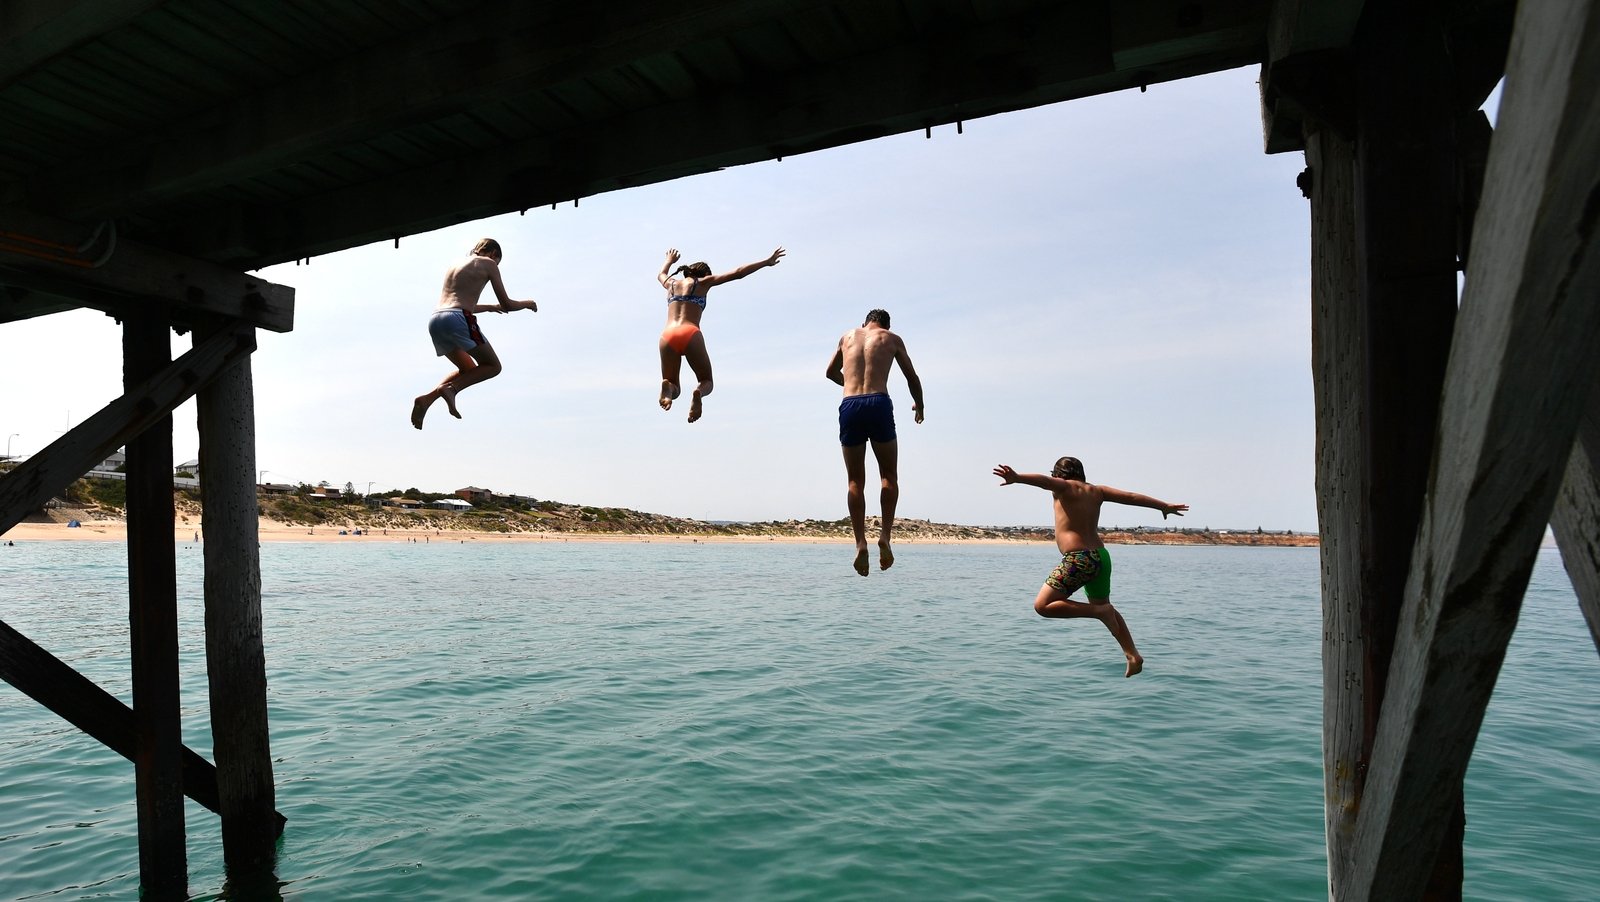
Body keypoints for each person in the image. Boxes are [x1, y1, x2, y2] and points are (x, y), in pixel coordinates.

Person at [993, 457, 1187, 677]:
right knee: (1107, 607)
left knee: (1043, 606)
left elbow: (1043, 481)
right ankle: (1132, 654)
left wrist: (1017, 478)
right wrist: (1163, 505)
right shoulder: (1097, 491)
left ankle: (1098, 612)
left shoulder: (1063, 486)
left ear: (1059, 474)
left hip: (1079, 558)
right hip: (1101, 557)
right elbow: (1131, 497)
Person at [826, 309, 924, 576]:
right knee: (889, 477)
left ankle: (860, 544)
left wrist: (850, 384)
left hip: (850, 405)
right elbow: (912, 377)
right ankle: (885, 537)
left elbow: (829, 372)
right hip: (879, 403)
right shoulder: (891, 338)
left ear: (864, 323)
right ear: (886, 325)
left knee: (855, 481)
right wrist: (920, 407)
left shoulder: (847, 336)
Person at [412, 238, 537, 429]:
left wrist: (489, 307)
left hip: (436, 320)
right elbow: (508, 305)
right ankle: (451, 389)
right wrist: (527, 304)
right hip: (457, 319)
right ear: (494, 254)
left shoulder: (455, 264)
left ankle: (427, 400)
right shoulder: (489, 263)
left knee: (469, 370)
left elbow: (458, 302)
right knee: (493, 366)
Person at [656, 246, 785, 422]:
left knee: (673, 385)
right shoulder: (703, 282)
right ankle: (698, 393)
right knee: (706, 380)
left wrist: (669, 261)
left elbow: (661, 274)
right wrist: (766, 262)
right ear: (705, 274)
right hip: (690, 333)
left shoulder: (671, 284)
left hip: (667, 335)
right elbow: (738, 273)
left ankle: (668, 388)